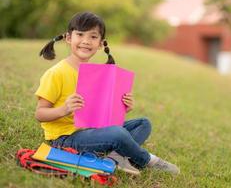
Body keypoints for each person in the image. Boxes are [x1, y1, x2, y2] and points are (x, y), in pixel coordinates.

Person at [34, 12, 179, 175]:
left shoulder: (95, 73)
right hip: (64, 138)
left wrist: (123, 107)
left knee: (143, 124)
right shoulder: (57, 73)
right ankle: (148, 160)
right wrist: (64, 109)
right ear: (69, 38)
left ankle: (115, 158)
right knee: (118, 134)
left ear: (101, 44)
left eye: (93, 36)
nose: (86, 41)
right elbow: (40, 114)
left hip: (90, 130)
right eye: (80, 34)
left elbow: (97, 112)